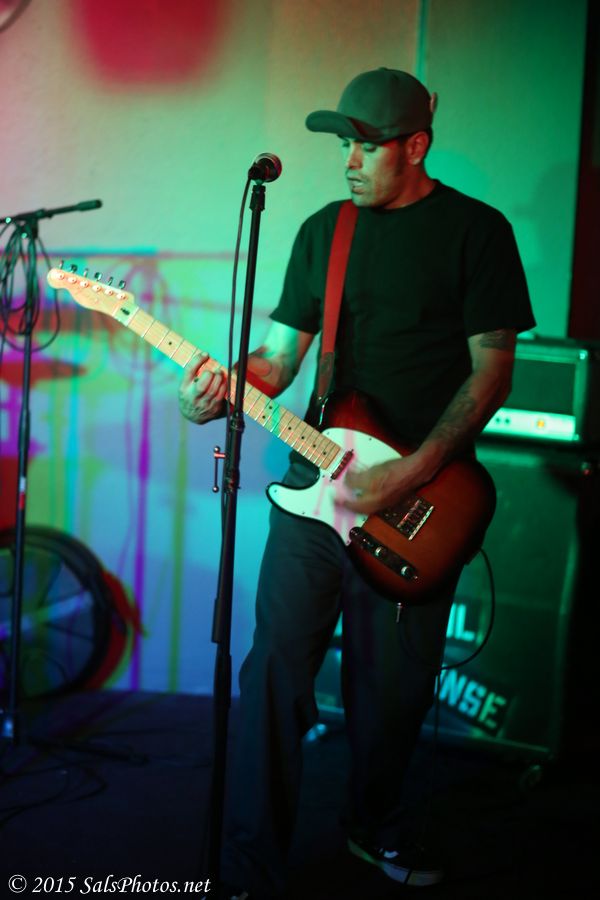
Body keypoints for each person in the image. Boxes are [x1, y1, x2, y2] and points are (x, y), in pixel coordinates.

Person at [178, 68, 535, 899]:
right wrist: (221, 389)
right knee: (273, 672)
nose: (348, 161)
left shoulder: (477, 232)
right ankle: (250, 862)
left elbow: (491, 373)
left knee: (392, 693)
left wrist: (409, 471)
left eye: (365, 147)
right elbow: (278, 360)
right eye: (344, 144)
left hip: (419, 499)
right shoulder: (323, 232)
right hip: (312, 491)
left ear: (416, 146)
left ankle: (374, 827)